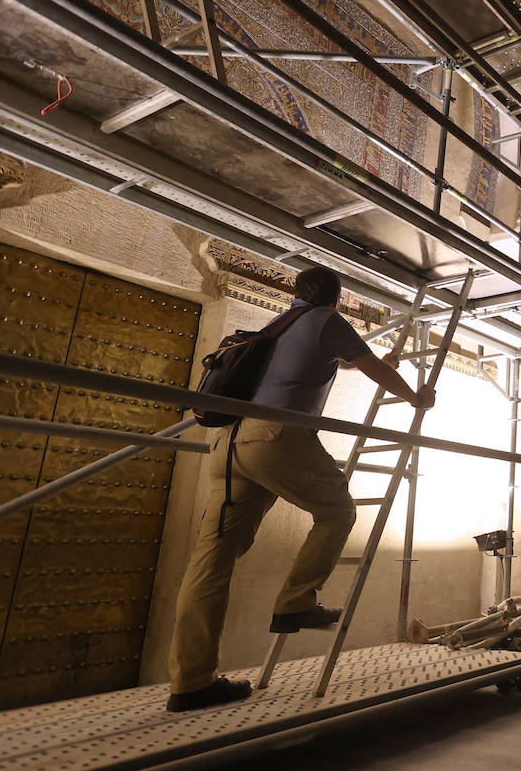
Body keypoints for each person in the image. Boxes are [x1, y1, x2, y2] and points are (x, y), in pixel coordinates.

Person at [166, 267, 434, 712]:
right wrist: (416, 398)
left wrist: (372, 362)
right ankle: (295, 601)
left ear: (297, 294)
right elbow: (371, 370)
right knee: (338, 513)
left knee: (211, 560)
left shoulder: (278, 325)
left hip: (229, 443)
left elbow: (342, 361)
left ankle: (191, 681)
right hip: (276, 438)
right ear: (337, 297)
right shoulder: (328, 320)